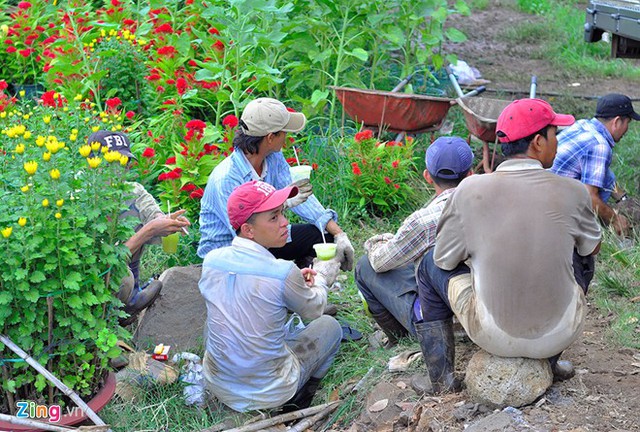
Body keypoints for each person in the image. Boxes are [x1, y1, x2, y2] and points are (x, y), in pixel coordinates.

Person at [416, 99, 602, 394]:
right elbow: (592, 249)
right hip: (562, 333)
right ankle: (550, 361)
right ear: (538, 142)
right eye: (556, 134)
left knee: (427, 265)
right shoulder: (574, 191)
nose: (558, 141)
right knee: (584, 257)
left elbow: (444, 260)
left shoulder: (468, 190)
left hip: (492, 335)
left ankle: (441, 379)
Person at [199, 180, 342, 412]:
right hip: (270, 389)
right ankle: (298, 400)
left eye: (283, 213)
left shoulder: (212, 260)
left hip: (219, 383)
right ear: (248, 230)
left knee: (217, 317)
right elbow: (314, 309)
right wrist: (323, 278)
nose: (286, 222)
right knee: (330, 326)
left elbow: (251, 294)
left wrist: (294, 282)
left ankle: (227, 389)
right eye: (274, 217)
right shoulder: (282, 272)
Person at [198, 98, 354, 272]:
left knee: (322, 237)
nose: (287, 137)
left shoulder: (273, 158)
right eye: (284, 132)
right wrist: (282, 205)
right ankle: (286, 279)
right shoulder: (227, 178)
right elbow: (245, 234)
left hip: (263, 236)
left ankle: (302, 278)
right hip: (231, 253)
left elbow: (298, 194)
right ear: (271, 137)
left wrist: (339, 234)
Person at [355, 136, 473, 347]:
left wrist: (378, 240)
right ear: (471, 174)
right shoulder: (491, 206)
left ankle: (401, 337)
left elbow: (380, 262)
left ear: (427, 176)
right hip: (483, 313)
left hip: (445, 324)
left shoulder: (424, 221)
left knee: (365, 266)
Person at [87, 130, 191, 325]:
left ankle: (131, 298)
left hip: (124, 263)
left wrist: (166, 221)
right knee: (122, 277)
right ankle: (114, 309)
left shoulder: (132, 190)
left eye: (124, 162)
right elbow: (102, 261)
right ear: (94, 162)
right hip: (94, 277)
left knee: (136, 217)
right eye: (114, 162)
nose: (121, 169)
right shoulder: (79, 195)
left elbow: (153, 212)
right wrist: (149, 230)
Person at [551, 93, 639, 236]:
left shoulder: (583, 124)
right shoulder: (599, 145)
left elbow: (601, 173)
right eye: (627, 123)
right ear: (617, 122)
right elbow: (589, 197)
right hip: (554, 207)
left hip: (542, 185)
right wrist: (615, 219)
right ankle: (593, 231)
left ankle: (623, 202)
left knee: (602, 171)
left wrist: (622, 199)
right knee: (597, 198)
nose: (627, 130)